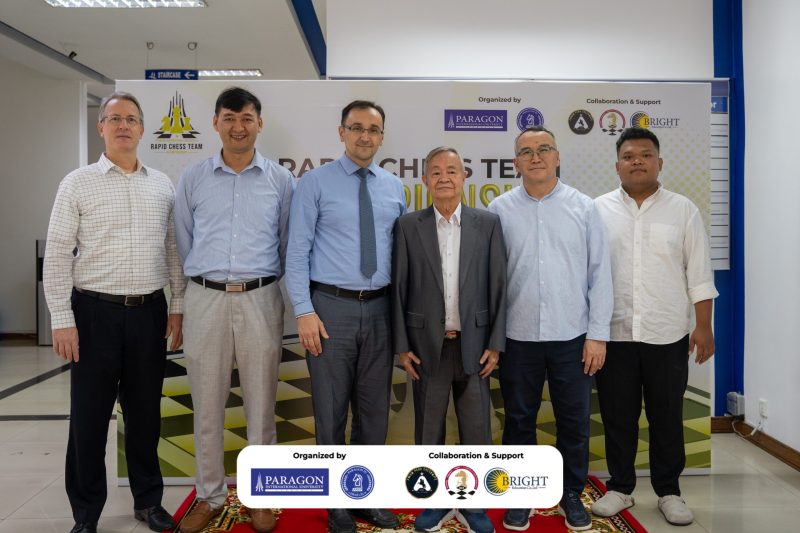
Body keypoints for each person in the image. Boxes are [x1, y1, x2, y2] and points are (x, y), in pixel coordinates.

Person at [43, 91, 183, 533]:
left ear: (142, 129)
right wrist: (62, 319)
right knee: (88, 419)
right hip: (93, 314)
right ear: (101, 127)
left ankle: (148, 501)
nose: (124, 125)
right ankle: (86, 514)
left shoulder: (162, 185)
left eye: (132, 119)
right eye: (115, 118)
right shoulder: (77, 183)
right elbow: (58, 254)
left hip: (149, 313)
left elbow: (174, 251)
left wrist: (178, 306)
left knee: (145, 415)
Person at [174, 87, 294, 533]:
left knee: (261, 405)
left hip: (261, 297)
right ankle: (209, 496)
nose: (238, 127)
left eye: (246, 118)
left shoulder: (281, 180)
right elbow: (184, 240)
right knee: (207, 404)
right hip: (205, 297)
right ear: (216, 123)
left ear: (259, 123)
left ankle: (260, 496)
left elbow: (287, 244)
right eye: (229, 118)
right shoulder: (193, 178)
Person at [285, 100, 405, 533]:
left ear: (382, 136)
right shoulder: (314, 183)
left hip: (380, 310)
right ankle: (336, 502)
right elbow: (296, 252)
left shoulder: (394, 188)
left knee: (373, 414)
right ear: (341, 132)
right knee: (331, 411)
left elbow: (401, 256)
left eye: (373, 129)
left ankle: (364, 496)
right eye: (356, 128)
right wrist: (304, 311)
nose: (364, 136)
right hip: (329, 310)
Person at [487, 126, 613, 532]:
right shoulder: (499, 210)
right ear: (516, 162)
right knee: (518, 420)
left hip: (572, 336)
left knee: (573, 421)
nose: (536, 157)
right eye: (527, 152)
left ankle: (570, 493)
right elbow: (490, 279)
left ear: (557, 156)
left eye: (544, 149)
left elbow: (600, 275)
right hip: (517, 337)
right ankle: (520, 493)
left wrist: (597, 335)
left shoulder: (584, 208)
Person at [591, 127, 718, 526]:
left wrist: (704, 326)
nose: (637, 162)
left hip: (668, 334)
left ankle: (669, 491)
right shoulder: (597, 210)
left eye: (645, 155)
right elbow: (587, 273)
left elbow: (699, 273)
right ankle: (620, 487)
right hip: (614, 334)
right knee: (617, 416)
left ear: (659, 163)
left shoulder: (683, 210)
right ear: (617, 165)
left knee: (666, 416)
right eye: (629, 156)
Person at [392, 147, 506, 533]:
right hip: (427, 348)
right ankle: (434, 500)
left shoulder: (487, 224)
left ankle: (473, 505)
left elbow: (498, 287)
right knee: (429, 431)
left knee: (477, 431)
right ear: (425, 180)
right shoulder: (408, 227)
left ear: (464, 177)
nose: (444, 177)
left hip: (475, 346)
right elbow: (399, 290)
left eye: (452, 170)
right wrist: (402, 346)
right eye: (436, 172)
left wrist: (496, 344)